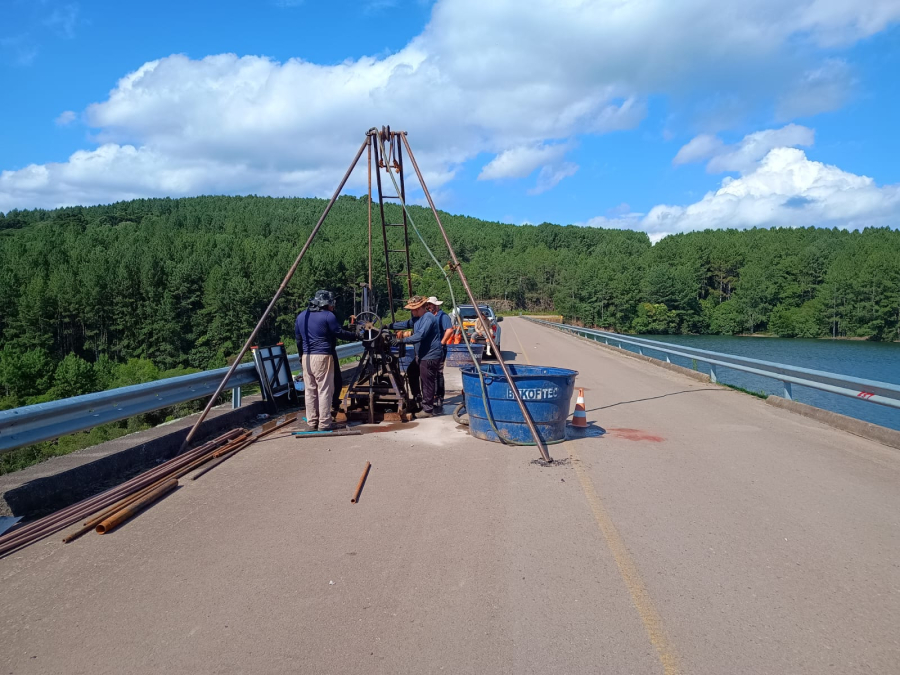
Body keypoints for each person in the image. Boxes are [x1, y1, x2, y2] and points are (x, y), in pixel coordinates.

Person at [294, 290, 359, 431]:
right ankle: (324, 424)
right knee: (324, 390)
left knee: (310, 391)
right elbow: (339, 333)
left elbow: (298, 340)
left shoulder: (301, 316)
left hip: (306, 356)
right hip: (322, 356)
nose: (333, 307)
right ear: (326, 304)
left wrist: (301, 356)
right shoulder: (328, 316)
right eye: (331, 304)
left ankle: (311, 423)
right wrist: (356, 336)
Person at [395, 295, 443, 417]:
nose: (412, 311)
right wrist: (388, 326)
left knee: (426, 381)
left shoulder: (428, 318)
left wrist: (402, 341)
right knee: (412, 372)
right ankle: (418, 399)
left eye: (414, 309)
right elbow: (405, 324)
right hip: (421, 355)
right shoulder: (417, 318)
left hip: (430, 356)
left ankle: (427, 410)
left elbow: (419, 336)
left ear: (422, 307)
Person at [426, 296, 454, 411]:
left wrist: (441, 343)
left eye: (431, 305)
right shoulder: (430, 316)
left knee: (438, 372)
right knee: (431, 372)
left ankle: (439, 396)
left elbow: (449, 330)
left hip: (439, 349)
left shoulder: (443, 316)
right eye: (428, 305)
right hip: (430, 350)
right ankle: (432, 395)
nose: (429, 307)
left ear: (436, 305)